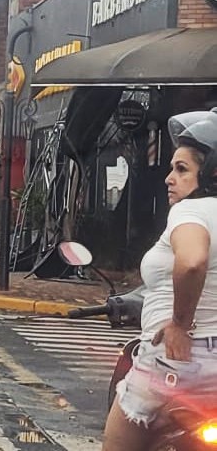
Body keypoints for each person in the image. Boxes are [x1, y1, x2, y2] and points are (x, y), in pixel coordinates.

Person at [102, 108, 217, 451]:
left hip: (174, 363)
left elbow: (193, 262)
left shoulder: (191, 211)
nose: (169, 178)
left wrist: (180, 324)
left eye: (182, 170)